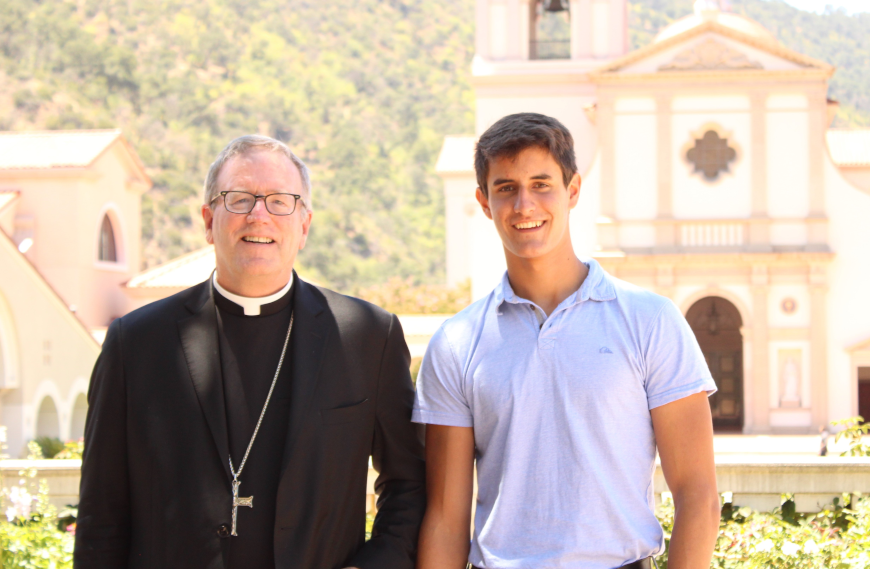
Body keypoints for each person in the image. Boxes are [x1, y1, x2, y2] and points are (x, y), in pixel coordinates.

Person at [74, 135, 425, 569]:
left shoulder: (368, 336)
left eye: (280, 201)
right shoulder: (136, 343)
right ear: (208, 220)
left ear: (304, 225)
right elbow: (100, 513)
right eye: (239, 199)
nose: (259, 215)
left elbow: (410, 483)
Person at [413, 113, 720, 569]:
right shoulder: (456, 342)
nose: (524, 205)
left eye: (541, 184)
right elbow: (444, 518)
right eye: (506, 188)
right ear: (483, 201)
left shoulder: (650, 320)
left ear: (572, 190)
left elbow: (698, 495)